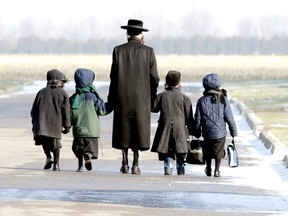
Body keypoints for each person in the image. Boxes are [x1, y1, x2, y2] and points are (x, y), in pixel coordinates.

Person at [108, 19, 159, 175]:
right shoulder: (148, 51)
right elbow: (154, 78)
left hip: (122, 96)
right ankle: (136, 164)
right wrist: (152, 96)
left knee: (123, 129)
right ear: (141, 34)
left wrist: (112, 97)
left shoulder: (118, 50)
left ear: (127, 34)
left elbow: (113, 76)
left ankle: (124, 162)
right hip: (141, 99)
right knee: (138, 129)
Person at [151, 70, 195, 175]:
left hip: (164, 127)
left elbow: (153, 108)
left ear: (166, 81)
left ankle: (168, 167)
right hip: (180, 129)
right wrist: (194, 130)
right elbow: (189, 118)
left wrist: (152, 93)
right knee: (180, 150)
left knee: (167, 149)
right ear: (179, 83)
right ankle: (180, 167)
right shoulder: (185, 98)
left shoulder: (161, 96)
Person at [194, 73, 237, 177]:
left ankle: (208, 168)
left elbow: (197, 118)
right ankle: (217, 170)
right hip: (220, 132)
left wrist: (196, 131)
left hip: (207, 132)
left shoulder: (201, 100)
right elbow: (229, 117)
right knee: (219, 151)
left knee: (207, 150)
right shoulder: (223, 99)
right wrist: (233, 131)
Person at [69, 68, 113, 172]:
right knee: (88, 149)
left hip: (78, 130)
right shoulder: (93, 97)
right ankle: (88, 154)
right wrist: (112, 104)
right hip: (92, 131)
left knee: (79, 149)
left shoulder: (73, 98)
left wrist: (67, 125)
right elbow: (102, 110)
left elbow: (69, 114)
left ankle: (80, 166)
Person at [31, 69, 71, 171]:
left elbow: (33, 110)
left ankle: (49, 157)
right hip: (55, 123)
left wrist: (34, 122)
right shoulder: (63, 93)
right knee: (56, 143)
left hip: (41, 122)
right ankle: (56, 165)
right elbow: (66, 112)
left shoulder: (41, 92)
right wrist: (67, 126)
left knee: (44, 140)